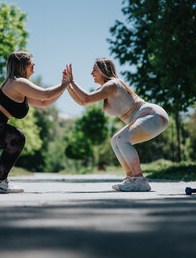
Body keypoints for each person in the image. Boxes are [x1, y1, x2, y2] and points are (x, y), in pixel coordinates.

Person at [0, 51, 71, 193]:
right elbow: (46, 93)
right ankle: (0, 183)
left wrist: (63, 87)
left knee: (15, 139)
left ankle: (1, 182)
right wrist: (66, 83)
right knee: (17, 137)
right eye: (30, 61)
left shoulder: (19, 86)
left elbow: (44, 102)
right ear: (22, 65)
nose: (34, 64)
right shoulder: (18, 82)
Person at [65, 58, 168, 192]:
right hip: (148, 117)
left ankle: (140, 180)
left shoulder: (112, 84)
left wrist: (72, 81)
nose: (91, 73)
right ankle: (131, 179)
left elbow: (87, 98)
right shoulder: (104, 89)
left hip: (153, 115)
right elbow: (83, 102)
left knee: (122, 139)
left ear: (103, 71)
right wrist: (67, 85)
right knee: (115, 140)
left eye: (94, 70)